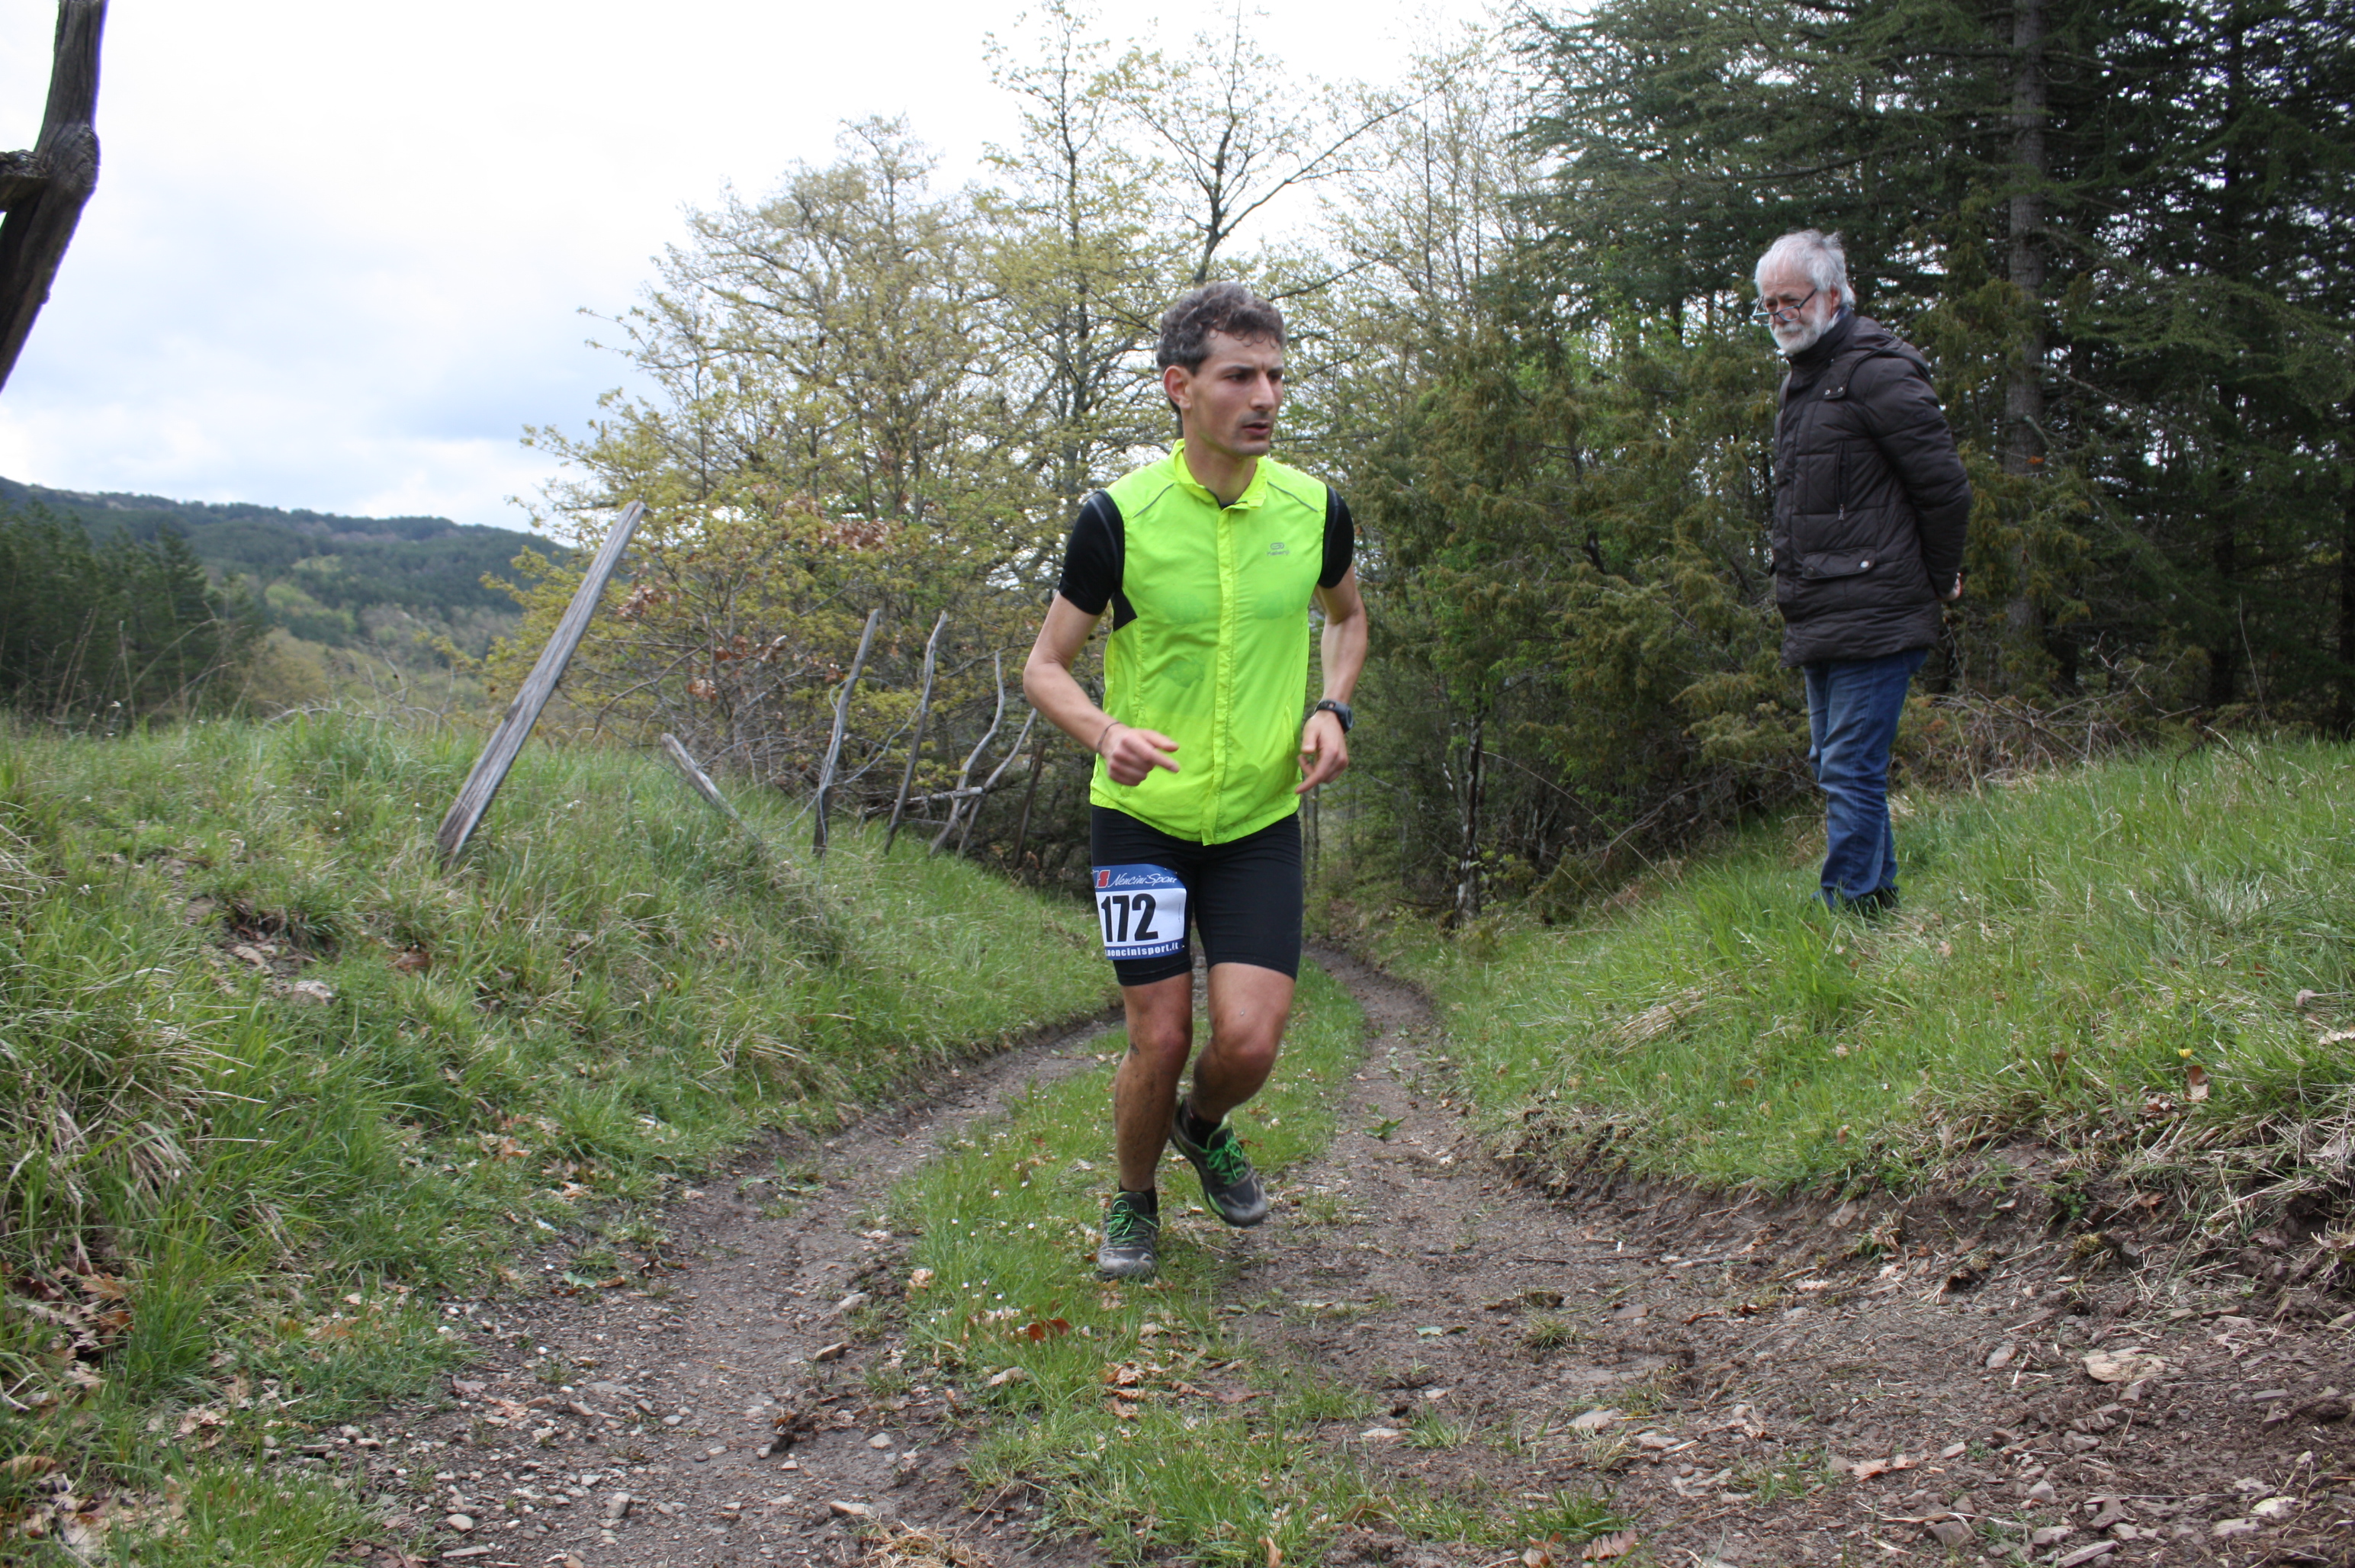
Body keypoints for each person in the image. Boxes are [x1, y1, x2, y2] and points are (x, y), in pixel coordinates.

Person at [1022, 281, 1368, 1280]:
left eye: (1275, 377)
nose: (1264, 397)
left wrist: (1330, 707)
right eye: (1239, 377)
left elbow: (1346, 619)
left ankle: (1204, 1127)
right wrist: (1104, 730)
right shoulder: (1117, 519)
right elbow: (1044, 665)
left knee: (1250, 1043)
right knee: (1161, 1032)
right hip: (1141, 822)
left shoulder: (1313, 510)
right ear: (1181, 388)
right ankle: (1132, 1203)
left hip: (1259, 821)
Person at [1755, 230, 1971, 916]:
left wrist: (1939, 579)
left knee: (1850, 767)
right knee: (1837, 767)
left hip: (1879, 606)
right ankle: (1875, 905)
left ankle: (1850, 918)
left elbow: (1944, 489)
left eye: (1792, 298)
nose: (1781, 314)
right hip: (1823, 609)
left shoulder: (1877, 369)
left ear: (1836, 293)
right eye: (1768, 305)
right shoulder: (1806, 376)